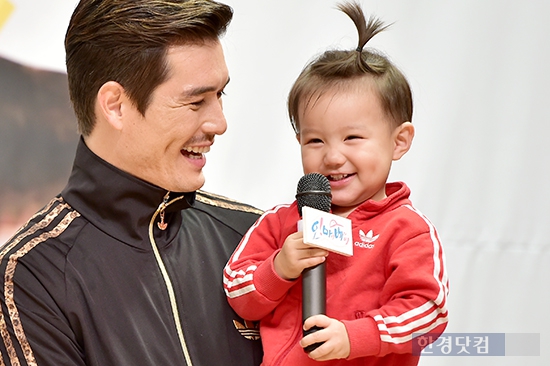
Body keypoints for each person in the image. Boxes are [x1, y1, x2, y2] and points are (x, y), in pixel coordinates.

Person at [0, 0, 263, 365]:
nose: (219, 123)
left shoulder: (254, 236)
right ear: (115, 106)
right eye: (195, 101)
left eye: (220, 95)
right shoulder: (31, 276)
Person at [223, 2, 449, 365]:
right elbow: (236, 289)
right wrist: (279, 267)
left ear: (399, 141)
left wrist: (357, 335)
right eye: (315, 141)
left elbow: (428, 313)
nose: (332, 157)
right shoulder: (280, 223)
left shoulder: (408, 231)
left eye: (353, 138)